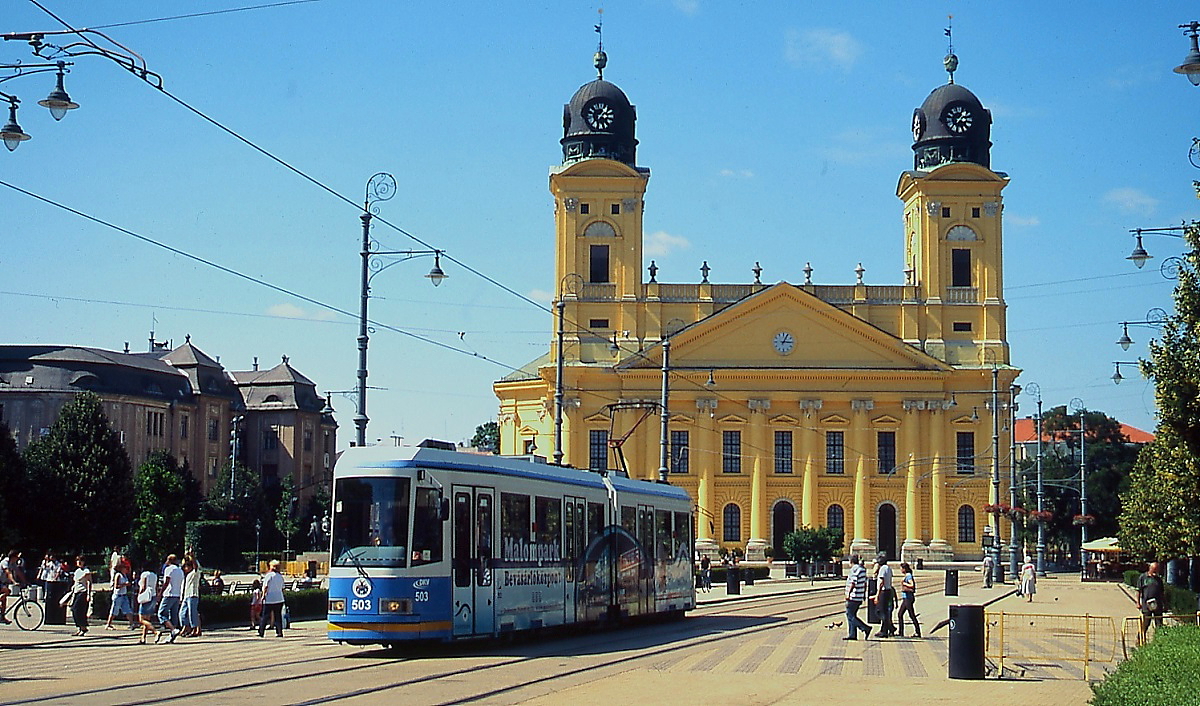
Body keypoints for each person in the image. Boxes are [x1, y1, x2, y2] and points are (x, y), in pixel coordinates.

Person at [842, 554, 871, 640]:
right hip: (859, 595)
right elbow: (865, 583)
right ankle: (852, 635)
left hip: (853, 596)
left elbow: (853, 583)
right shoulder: (862, 570)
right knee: (852, 615)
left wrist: (848, 594)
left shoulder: (855, 570)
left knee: (849, 615)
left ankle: (865, 628)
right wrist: (864, 594)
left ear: (851, 562)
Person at [156, 554, 183, 644]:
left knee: (161, 613)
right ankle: (172, 636)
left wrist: (160, 592)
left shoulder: (169, 569)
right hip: (177, 594)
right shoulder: (180, 571)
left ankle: (173, 629)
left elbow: (166, 582)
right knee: (173, 615)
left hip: (169, 594)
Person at [1137, 562, 1165, 643]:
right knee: (1146, 623)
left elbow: (1162, 592)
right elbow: (1139, 591)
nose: (1156, 572)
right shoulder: (1143, 577)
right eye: (1154, 570)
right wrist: (1138, 602)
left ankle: (1159, 640)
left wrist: (1164, 604)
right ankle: (1140, 639)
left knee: (1159, 623)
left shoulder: (1159, 580)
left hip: (1157, 604)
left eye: (1157, 570)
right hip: (1147, 604)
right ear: (1150, 568)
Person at [258, 559, 286, 638]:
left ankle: (261, 631)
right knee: (278, 616)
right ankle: (279, 632)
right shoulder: (280, 576)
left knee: (265, 616)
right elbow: (282, 587)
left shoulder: (269, 575)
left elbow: (265, 586)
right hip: (279, 598)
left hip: (270, 598)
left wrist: (263, 595)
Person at [871, 554, 896, 638]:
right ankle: (885, 630)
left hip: (883, 592)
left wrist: (877, 595)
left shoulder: (882, 569)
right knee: (884, 611)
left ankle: (889, 628)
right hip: (888, 591)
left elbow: (881, 582)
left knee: (879, 611)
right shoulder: (888, 568)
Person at [104, 562, 135, 630]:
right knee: (114, 610)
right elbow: (116, 586)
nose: (126, 569)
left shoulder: (125, 575)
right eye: (125, 568)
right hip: (118, 595)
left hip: (124, 595)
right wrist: (124, 584)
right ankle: (108, 624)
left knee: (127, 610)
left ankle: (132, 624)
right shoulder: (118, 575)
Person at [136, 562, 158, 644]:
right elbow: (156, 587)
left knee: (141, 619)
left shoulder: (144, 574)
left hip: (146, 597)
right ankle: (143, 638)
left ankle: (155, 631)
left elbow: (143, 586)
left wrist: (139, 595)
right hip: (153, 596)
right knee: (147, 619)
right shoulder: (154, 575)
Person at [69, 555, 92, 636]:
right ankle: (79, 627)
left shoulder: (86, 571)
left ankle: (83, 627)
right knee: (73, 609)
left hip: (83, 592)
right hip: (76, 592)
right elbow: (75, 582)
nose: (79, 562)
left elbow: (89, 582)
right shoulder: (77, 571)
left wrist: (89, 594)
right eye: (78, 560)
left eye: (81, 560)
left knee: (79, 610)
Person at [897, 561, 921, 638]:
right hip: (906, 598)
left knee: (911, 615)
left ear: (904, 569)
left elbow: (912, 585)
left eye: (901, 568)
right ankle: (901, 632)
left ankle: (918, 632)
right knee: (900, 614)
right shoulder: (907, 575)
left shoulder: (908, 576)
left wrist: (904, 584)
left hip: (908, 598)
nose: (900, 570)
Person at [179, 558, 202, 638]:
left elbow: (196, 566)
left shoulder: (194, 573)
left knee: (192, 614)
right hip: (186, 596)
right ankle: (186, 627)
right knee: (182, 613)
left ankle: (194, 629)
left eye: (186, 566)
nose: (185, 568)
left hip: (192, 595)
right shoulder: (186, 576)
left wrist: (192, 557)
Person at [0, 550, 23, 624]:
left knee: (4, 600)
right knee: (7, 591)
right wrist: (14, 582)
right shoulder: (5, 562)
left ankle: (2, 617)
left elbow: (18, 572)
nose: (18, 559)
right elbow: (8, 573)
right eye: (17, 557)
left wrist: (26, 581)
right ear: (13, 557)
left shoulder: (12, 563)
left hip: (3, 583)